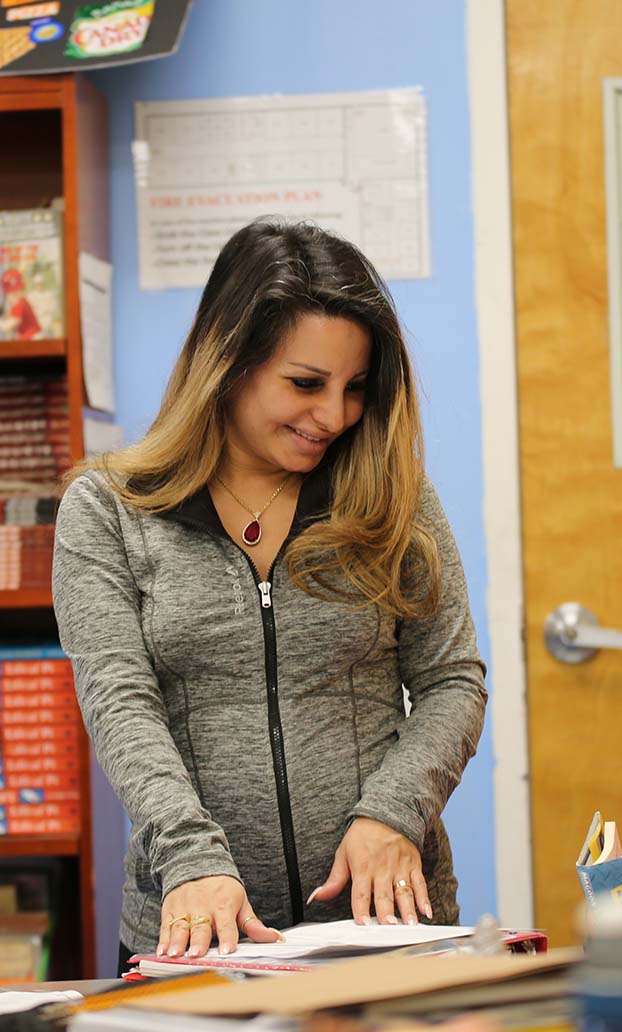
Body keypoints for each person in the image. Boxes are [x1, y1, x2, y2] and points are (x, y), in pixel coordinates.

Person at [52, 219, 488, 970]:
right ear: (226, 359)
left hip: (384, 925)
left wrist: (393, 813)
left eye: (356, 389)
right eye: (305, 383)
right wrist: (190, 857)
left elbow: (453, 680)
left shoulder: (392, 495)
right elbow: (120, 704)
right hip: (197, 930)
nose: (335, 416)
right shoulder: (108, 511)